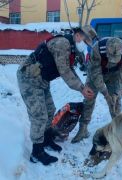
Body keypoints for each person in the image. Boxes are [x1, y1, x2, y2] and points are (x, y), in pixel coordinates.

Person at [17, 25, 96, 166]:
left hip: (42, 80)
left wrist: (83, 86)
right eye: (86, 41)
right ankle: (36, 152)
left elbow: (70, 68)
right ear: (78, 35)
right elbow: (65, 71)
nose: (86, 46)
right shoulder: (62, 44)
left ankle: (46, 139)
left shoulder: (71, 47)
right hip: (29, 78)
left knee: (50, 109)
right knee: (39, 116)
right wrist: (82, 89)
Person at [71, 37, 122, 143]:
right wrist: (105, 93)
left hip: (114, 75)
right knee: (89, 98)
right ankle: (83, 129)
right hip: (96, 73)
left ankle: (118, 130)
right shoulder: (97, 48)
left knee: (115, 101)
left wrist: (117, 91)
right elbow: (96, 73)